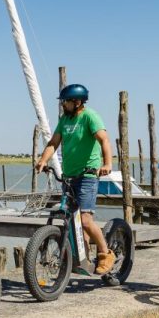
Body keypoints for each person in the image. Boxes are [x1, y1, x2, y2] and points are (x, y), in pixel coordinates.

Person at [34, 83, 116, 274]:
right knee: (72, 220)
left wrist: (107, 164)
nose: (63, 104)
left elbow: (104, 139)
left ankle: (105, 254)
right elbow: (53, 142)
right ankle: (82, 258)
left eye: (65, 102)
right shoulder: (64, 119)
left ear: (77, 102)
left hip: (87, 174)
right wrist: (42, 160)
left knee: (85, 220)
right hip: (69, 176)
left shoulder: (90, 117)